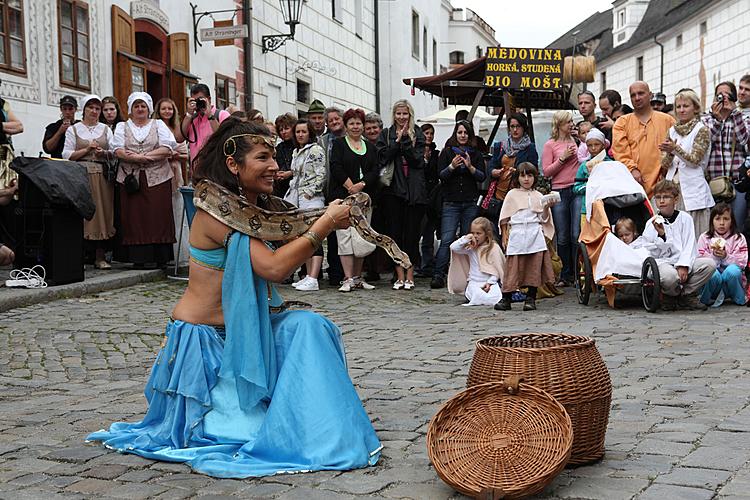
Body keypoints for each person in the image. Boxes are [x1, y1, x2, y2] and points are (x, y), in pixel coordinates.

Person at [87, 119, 381, 478]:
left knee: (310, 326)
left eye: (274, 156)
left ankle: (323, 425)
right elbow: (273, 268)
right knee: (244, 435)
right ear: (233, 164)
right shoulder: (219, 211)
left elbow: (286, 241)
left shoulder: (255, 209)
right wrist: (324, 225)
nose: (274, 166)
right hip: (206, 345)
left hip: (243, 332)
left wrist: (328, 215)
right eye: (262, 157)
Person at [113, 92, 178, 269]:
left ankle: (160, 257)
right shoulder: (121, 126)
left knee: (157, 215)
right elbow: (117, 149)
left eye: (143, 106)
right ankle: (138, 257)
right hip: (130, 177)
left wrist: (144, 157)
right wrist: (136, 159)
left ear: (148, 108)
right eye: (136, 106)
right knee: (134, 217)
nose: (140, 109)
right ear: (130, 109)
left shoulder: (158, 125)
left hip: (158, 177)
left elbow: (167, 148)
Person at [641, 180, 715, 310]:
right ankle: (670, 295)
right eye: (658, 198)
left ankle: (686, 295)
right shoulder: (651, 223)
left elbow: (689, 244)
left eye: (666, 197)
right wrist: (662, 236)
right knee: (670, 277)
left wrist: (683, 265)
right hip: (662, 262)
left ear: (676, 199)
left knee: (709, 265)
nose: (662, 201)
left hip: (681, 260)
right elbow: (649, 249)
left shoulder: (685, 219)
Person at [376, 99, 426, 290]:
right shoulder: (386, 133)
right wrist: (396, 143)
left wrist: (405, 140)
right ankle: (398, 275)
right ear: (394, 115)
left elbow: (417, 160)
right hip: (393, 190)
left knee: (412, 236)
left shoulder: (418, 132)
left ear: (410, 114)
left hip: (414, 190)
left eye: (405, 113)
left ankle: (410, 275)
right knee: (395, 235)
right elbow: (383, 157)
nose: (402, 117)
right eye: (398, 113)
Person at [431, 120, 486, 289]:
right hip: (451, 202)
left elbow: (481, 177)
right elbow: (441, 175)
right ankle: (438, 274)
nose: (462, 136)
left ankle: (467, 274)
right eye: (460, 132)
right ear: (455, 134)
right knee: (447, 239)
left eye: (465, 133)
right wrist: (452, 166)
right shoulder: (447, 152)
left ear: (470, 136)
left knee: (467, 239)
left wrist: (469, 167)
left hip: (469, 202)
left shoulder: (475, 154)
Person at [62, 94, 115, 269]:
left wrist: (103, 153)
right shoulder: (74, 129)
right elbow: (67, 155)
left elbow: (114, 151)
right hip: (80, 174)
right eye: (91, 108)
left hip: (101, 175)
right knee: (81, 213)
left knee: (101, 213)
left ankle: (100, 256)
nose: (94, 111)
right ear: (84, 110)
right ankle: (79, 255)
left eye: (97, 108)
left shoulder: (106, 129)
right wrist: (86, 149)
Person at [329, 108, 379, 292]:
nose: (356, 126)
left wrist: (362, 185)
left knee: (361, 236)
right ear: (346, 125)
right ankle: (348, 278)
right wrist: (350, 187)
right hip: (344, 197)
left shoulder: (371, 147)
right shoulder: (340, 144)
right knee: (344, 237)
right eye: (352, 123)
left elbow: (375, 170)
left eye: (359, 123)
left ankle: (358, 277)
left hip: (364, 198)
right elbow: (336, 166)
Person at [495, 163, 557, 311]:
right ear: (518, 178)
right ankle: (507, 297)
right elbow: (504, 218)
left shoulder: (539, 196)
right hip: (517, 232)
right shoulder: (512, 195)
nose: (526, 179)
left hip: (534, 233)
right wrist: (504, 235)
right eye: (523, 176)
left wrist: (547, 207)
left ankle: (531, 297)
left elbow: (543, 218)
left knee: (533, 266)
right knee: (513, 267)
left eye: (529, 175)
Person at [658, 89, 714, 237]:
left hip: (693, 189)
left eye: (685, 106)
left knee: (695, 234)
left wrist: (675, 148)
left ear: (695, 108)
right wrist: (669, 152)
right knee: (673, 233)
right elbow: (664, 164)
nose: (681, 110)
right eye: (678, 106)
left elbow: (695, 160)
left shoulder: (702, 130)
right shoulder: (672, 130)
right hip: (672, 188)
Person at [612, 81, 676, 197]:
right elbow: (620, 152)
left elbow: (677, 148)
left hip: (663, 187)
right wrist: (632, 169)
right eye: (633, 95)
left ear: (650, 95)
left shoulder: (667, 120)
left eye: (641, 93)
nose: (637, 98)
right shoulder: (622, 122)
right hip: (633, 186)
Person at [285, 119, 326, 291]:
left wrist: (311, 192)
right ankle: (308, 276)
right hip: (297, 197)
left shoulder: (316, 149)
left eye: (304, 131)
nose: (300, 135)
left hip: (311, 198)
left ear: (310, 133)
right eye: (298, 132)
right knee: (304, 238)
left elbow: (321, 174)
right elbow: (297, 174)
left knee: (314, 236)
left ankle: (314, 277)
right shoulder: (297, 151)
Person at [702, 81, 750, 232]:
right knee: (715, 228)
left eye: (727, 95)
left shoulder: (742, 118)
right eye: (719, 95)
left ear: (734, 97)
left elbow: (745, 141)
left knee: (737, 226)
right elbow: (705, 144)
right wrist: (717, 120)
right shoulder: (706, 120)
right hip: (713, 183)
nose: (723, 98)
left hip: (737, 183)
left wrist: (734, 114)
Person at [542, 110, 580, 287]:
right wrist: (563, 159)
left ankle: (577, 271)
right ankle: (565, 275)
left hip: (577, 188)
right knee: (563, 235)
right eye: (568, 122)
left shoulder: (577, 141)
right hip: (559, 191)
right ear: (559, 125)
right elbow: (546, 172)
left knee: (575, 233)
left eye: (572, 121)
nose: (571, 125)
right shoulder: (550, 145)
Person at [487, 113, 539, 230]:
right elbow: (491, 166)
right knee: (499, 228)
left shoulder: (529, 147)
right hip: (500, 194)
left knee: (515, 229)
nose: (515, 130)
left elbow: (534, 170)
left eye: (518, 126)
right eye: (512, 126)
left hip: (518, 195)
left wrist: (518, 172)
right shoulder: (500, 146)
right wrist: (494, 171)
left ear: (524, 128)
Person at [154, 97, 190, 264]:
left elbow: (186, 155)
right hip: (157, 171)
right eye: (163, 109)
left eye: (170, 108)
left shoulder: (177, 129)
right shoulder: (152, 127)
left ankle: (178, 252)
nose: (167, 111)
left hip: (174, 172)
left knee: (176, 210)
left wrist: (175, 155)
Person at [697, 203, 748, 307]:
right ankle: (705, 299)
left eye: (726, 219)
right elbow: (699, 262)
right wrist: (714, 257)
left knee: (732, 271)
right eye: (717, 219)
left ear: (732, 221)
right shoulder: (704, 237)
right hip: (713, 285)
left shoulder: (738, 238)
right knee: (711, 273)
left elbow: (742, 262)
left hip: (731, 285)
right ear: (712, 221)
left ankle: (738, 298)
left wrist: (726, 256)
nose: (721, 223)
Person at [447, 216, 504, 306]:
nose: (475, 236)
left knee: (495, 297)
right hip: (474, 282)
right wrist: (467, 238)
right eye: (473, 233)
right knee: (476, 294)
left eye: (478, 233)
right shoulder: (471, 248)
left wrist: (490, 282)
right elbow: (453, 247)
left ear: (486, 234)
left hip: (489, 282)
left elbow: (497, 269)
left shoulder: (493, 248)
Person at [320, 107, 346, 286]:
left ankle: (349, 272)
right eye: (331, 120)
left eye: (337, 119)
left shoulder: (351, 137)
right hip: (330, 189)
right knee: (332, 233)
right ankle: (335, 271)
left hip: (348, 188)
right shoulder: (323, 141)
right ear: (327, 124)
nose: (335, 122)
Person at [181, 83, 231, 162]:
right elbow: (180, 138)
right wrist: (189, 114)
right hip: (196, 170)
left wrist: (209, 115)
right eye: (195, 101)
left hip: (216, 169)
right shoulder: (192, 119)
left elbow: (225, 138)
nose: (198, 103)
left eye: (200, 100)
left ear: (209, 99)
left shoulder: (222, 115)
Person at [417, 123, 440, 277]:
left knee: (429, 234)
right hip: (418, 196)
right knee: (416, 231)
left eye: (431, 133)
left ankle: (428, 264)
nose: (429, 136)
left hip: (433, 198)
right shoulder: (415, 151)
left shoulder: (436, 153)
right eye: (426, 133)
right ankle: (417, 263)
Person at [573, 128, 611, 222]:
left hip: (608, 207)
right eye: (590, 145)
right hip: (587, 209)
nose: (593, 148)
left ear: (603, 146)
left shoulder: (610, 163)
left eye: (596, 144)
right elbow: (576, 187)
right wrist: (590, 186)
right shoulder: (584, 165)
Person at [273, 113, 296, 197]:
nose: (284, 132)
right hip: (282, 188)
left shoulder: (299, 146)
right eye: (281, 130)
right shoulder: (278, 148)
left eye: (286, 128)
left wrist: (290, 173)